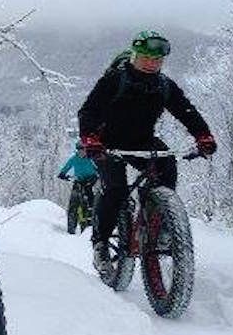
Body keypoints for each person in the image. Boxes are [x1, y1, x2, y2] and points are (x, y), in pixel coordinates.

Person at [77, 31, 216, 272]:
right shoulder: (114, 80)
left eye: (157, 60)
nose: (152, 63)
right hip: (106, 143)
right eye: (146, 58)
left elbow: (186, 111)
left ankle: (159, 221)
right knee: (116, 189)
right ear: (134, 56)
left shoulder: (164, 85)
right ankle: (100, 245)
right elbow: (88, 111)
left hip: (142, 141)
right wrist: (90, 139)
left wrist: (203, 136)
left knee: (167, 165)